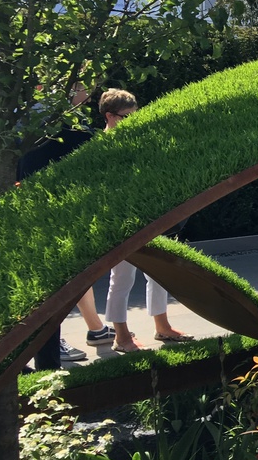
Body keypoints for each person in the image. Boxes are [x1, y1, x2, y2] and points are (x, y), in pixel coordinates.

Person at [16, 82, 113, 366]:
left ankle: (91, 330)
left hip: (43, 207)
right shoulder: (62, 124)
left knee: (68, 277)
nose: (89, 90)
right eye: (82, 84)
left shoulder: (34, 120)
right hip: (54, 211)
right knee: (56, 280)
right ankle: (49, 349)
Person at [98, 89, 193, 352]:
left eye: (135, 116)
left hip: (148, 216)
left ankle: (162, 327)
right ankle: (121, 336)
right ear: (109, 116)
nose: (133, 121)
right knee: (122, 277)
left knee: (158, 272)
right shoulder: (102, 147)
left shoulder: (138, 140)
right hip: (121, 219)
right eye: (126, 117)